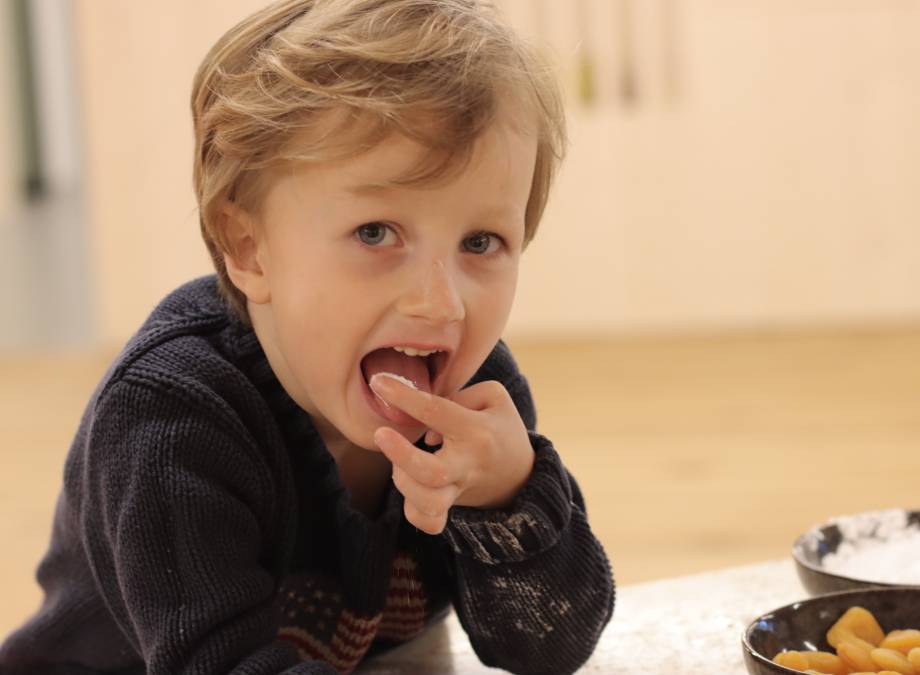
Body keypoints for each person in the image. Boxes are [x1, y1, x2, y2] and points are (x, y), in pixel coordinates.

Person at [0, 0, 614, 673]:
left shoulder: (475, 397)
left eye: (481, 241)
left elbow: (551, 646)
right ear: (249, 248)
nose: (441, 302)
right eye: (376, 233)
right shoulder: (170, 417)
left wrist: (508, 497)